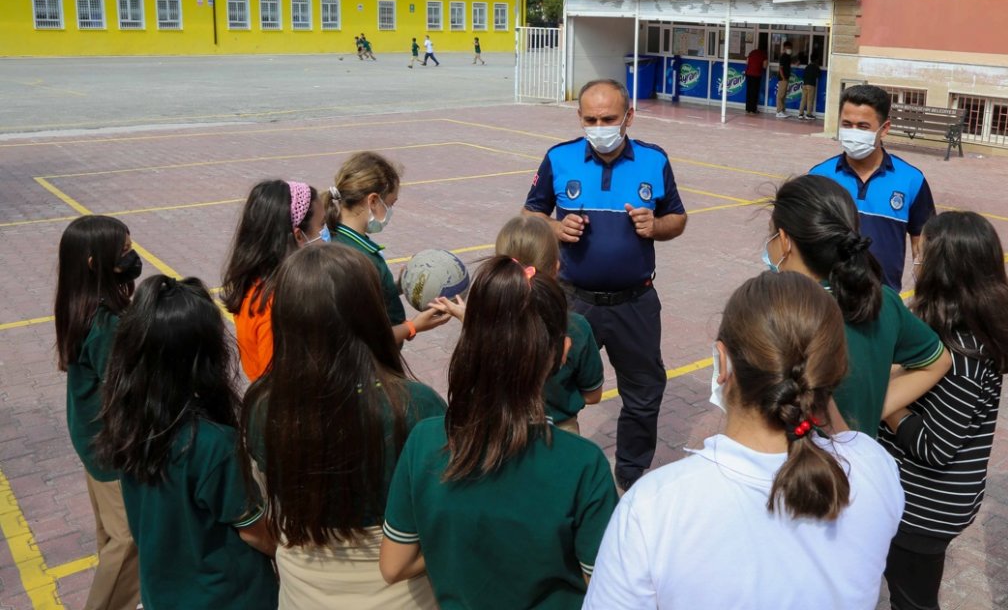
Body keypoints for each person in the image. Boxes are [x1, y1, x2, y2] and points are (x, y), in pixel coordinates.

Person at [584, 271, 905, 609]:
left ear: (722, 362)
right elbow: (846, 442)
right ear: (832, 372)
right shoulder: (874, 468)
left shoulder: (655, 507)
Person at [380, 258, 619, 608]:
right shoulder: (584, 465)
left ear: (472, 340)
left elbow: (393, 564)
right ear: (562, 352)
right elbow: (607, 587)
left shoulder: (426, 440)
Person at [241, 244, 444, 608]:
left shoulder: (261, 405)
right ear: (368, 313)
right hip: (400, 594)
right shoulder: (415, 405)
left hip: (302, 592)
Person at [522, 78, 687, 491]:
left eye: (608, 118)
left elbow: (677, 218)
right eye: (591, 119)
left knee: (644, 393)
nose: (600, 126)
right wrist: (557, 227)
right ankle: (548, 469)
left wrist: (656, 225)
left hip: (636, 303)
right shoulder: (559, 158)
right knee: (549, 384)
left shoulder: (654, 160)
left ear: (628, 117)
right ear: (580, 118)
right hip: (573, 302)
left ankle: (630, 478)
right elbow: (530, 215)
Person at [878, 211, 1008, 610]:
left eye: (924, 252)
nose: (917, 258)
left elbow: (936, 447)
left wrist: (888, 407)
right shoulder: (958, 328)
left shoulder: (961, 352)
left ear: (946, 267)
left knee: (912, 601)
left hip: (924, 507)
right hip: (925, 499)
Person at [95, 276, 277, 609]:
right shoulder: (211, 446)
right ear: (202, 359)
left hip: (163, 594)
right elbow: (256, 532)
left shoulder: (130, 426)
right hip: (228, 597)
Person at [764, 174, 950, 438]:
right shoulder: (883, 300)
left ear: (784, 241)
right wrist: (871, 411)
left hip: (794, 473)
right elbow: (938, 361)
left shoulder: (774, 310)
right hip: (859, 467)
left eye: (770, 234)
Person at [432, 215, 605, 434]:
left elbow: (497, 336)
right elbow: (593, 394)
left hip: (497, 429)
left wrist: (470, 319)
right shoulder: (575, 327)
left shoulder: (487, 322)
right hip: (559, 431)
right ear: (556, 267)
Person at [53, 215, 142, 610]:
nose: (131, 256)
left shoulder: (80, 303)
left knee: (110, 532)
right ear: (95, 263)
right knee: (128, 541)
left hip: (90, 437)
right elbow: (125, 391)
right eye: (123, 251)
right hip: (109, 444)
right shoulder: (105, 322)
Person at [810, 84, 936, 292]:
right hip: (827, 303)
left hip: (882, 302)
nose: (853, 133)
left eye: (862, 127)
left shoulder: (912, 180)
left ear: (884, 129)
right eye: (847, 124)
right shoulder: (818, 177)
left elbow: (921, 249)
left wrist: (926, 299)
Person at [320, 151, 449, 346]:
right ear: (372, 201)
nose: (390, 211)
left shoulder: (338, 237)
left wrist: (396, 287)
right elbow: (363, 340)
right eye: (390, 203)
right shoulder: (360, 258)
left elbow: (364, 299)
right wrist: (413, 327)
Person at [223, 180, 327, 382]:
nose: (326, 234)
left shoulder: (254, 284)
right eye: (321, 225)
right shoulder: (278, 303)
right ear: (299, 236)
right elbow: (279, 383)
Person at [744, 44, 766, 114]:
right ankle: (753, 110)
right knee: (754, 92)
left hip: (748, 74)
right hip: (756, 75)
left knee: (749, 91)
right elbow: (765, 66)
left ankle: (748, 109)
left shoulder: (752, 52)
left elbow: (747, 62)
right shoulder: (764, 55)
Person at [774, 40, 793, 118]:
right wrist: (784, 78)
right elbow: (780, 69)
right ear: (784, 48)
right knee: (780, 95)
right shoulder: (783, 56)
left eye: (790, 48)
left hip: (786, 78)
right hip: (783, 79)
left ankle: (783, 110)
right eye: (788, 48)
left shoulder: (788, 57)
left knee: (784, 95)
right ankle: (778, 111)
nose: (789, 49)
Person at [799, 51, 821, 121]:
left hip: (805, 84)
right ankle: (808, 114)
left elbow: (803, 75)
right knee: (809, 100)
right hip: (811, 85)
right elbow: (818, 75)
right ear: (816, 59)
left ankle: (800, 114)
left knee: (803, 99)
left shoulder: (807, 66)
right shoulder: (815, 67)